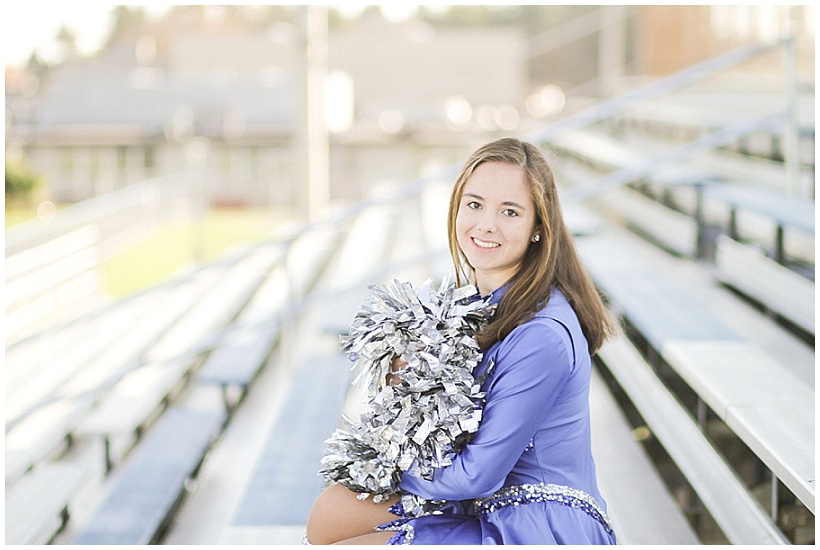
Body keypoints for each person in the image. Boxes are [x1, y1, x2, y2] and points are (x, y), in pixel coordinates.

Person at [305, 137, 619, 545]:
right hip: (486, 508)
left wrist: (387, 471)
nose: (486, 224)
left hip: (538, 527)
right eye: (475, 205)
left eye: (510, 211)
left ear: (539, 227)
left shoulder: (543, 334)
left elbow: (478, 473)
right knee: (331, 517)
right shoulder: (482, 306)